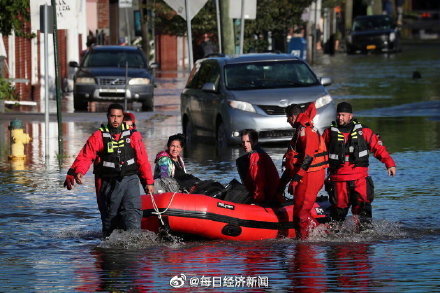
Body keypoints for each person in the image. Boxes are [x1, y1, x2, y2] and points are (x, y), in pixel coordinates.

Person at [63, 103, 154, 237]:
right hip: (108, 182)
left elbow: (143, 160)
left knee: (133, 212)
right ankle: (110, 245)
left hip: (130, 179)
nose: (115, 120)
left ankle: (134, 244)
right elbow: (86, 156)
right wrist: (79, 171)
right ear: (107, 117)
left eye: (118, 116)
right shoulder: (98, 136)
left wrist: (148, 182)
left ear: (123, 117)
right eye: (112, 116)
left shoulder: (133, 135)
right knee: (110, 217)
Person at [323, 102, 396, 231]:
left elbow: (378, 149)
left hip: (360, 178)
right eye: (338, 115)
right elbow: (318, 153)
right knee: (338, 213)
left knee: (363, 211)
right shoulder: (329, 133)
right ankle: (335, 238)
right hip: (338, 179)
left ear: (350, 116)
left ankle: (365, 238)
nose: (340, 118)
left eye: (343, 115)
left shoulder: (365, 131)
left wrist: (389, 164)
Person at [277, 102, 329, 240]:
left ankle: (304, 244)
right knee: (300, 212)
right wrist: (283, 182)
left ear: (293, 116)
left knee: (301, 214)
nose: (287, 120)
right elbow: (294, 160)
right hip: (307, 174)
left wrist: (296, 179)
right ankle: (319, 234)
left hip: (310, 175)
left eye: (287, 117)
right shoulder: (301, 129)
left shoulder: (305, 130)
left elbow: (308, 157)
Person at [235, 129, 283, 206]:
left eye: (248, 141)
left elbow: (258, 180)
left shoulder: (256, 156)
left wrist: (257, 201)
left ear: (255, 142)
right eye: (243, 142)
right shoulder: (258, 154)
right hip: (271, 196)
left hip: (268, 199)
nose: (245, 144)